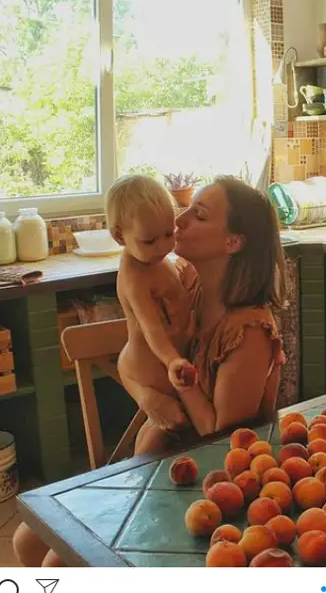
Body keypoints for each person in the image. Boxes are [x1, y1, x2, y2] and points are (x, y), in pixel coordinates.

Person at [13, 175, 287, 567]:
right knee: (27, 540)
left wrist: (178, 378)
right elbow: (130, 358)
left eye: (200, 214)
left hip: (213, 487)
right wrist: (150, 397)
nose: (181, 219)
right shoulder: (184, 286)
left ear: (232, 243)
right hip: (162, 460)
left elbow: (219, 437)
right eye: (188, 207)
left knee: (58, 564)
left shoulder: (249, 332)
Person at [106, 174, 214, 455]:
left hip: (160, 362)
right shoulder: (134, 277)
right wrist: (172, 360)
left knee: (171, 431)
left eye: (169, 234)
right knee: (161, 433)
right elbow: (151, 329)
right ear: (120, 236)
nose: (163, 247)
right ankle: (140, 482)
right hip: (150, 367)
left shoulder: (154, 259)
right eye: (150, 240)